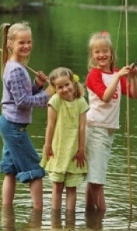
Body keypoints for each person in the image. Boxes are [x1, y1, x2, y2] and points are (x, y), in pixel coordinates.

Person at [0, 21, 51, 210]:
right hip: (14, 126)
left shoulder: (13, 66)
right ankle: (38, 217)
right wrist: (49, 94)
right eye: (22, 42)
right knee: (35, 171)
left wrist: (37, 86)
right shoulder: (16, 70)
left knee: (10, 171)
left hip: (9, 123)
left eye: (29, 42)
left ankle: (6, 213)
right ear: (10, 43)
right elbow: (23, 102)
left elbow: (22, 96)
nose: (27, 46)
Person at [85, 31, 137, 211]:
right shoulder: (94, 75)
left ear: (111, 53)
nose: (101, 55)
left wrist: (132, 77)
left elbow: (134, 94)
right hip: (95, 127)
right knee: (97, 178)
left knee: (95, 176)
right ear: (92, 55)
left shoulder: (116, 73)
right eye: (97, 52)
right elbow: (106, 97)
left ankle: (90, 212)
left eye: (105, 51)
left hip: (108, 129)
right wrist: (118, 77)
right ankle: (101, 216)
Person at [41, 67, 89, 212]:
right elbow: (50, 125)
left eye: (67, 84)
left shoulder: (80, 102)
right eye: (59, 87)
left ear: (72, 82)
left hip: (74, 150)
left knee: (71, 187)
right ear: (54, 88)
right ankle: (55, 220)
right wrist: (47, 146)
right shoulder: (55, 101)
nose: (64, 89)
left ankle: (70, 218)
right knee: (57, 186)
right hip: (58, 149)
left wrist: (81, 149)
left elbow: (82, 128)